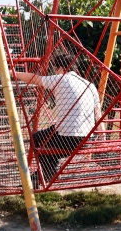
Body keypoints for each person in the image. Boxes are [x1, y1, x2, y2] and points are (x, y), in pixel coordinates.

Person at [14, 52, 100, 186]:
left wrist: (13, 73)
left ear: (60, 68)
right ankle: (43, 173)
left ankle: (47, 172)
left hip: (69, 139)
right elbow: (98, 115)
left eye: (55, 68)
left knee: (36, 138)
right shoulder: (90, 85)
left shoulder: (61, 78)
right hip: (88, 139)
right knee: (47, 137)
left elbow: (35, 79)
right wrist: (102, 138)